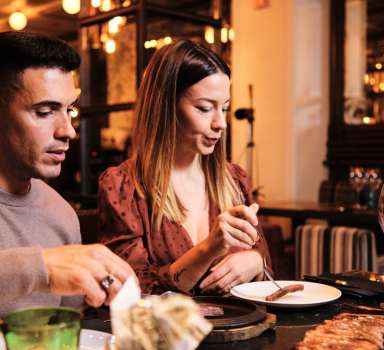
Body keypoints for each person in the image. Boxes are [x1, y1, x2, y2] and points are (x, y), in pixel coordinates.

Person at [98, 38, 272, 296]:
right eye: (204, 108)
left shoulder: (234, 179)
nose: (220, 123)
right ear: (165, 107)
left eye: (224, 108)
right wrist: (209, 248)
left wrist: (256, 262)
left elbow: (267, 270)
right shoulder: (123, 186)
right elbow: (129, 292)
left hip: (242, 332)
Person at [0, 31, 137, 316]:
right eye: (45, 112)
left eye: (69, 111)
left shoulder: (61, 213)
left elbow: (72, 331)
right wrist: (38, 268)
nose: (68, 131)